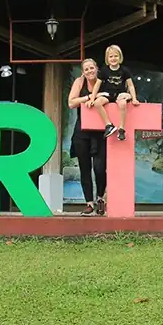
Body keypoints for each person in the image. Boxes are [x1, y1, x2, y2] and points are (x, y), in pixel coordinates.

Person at [68, 59, 108, 216]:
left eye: (92, 68)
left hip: (99, 131)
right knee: (85, 168)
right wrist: (89, 97)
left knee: (99, 168)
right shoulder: (80, 82)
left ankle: (100, 199)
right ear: (83, 72)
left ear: (96, 68)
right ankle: (89, 203)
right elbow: (71, 103)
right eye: (86, 69)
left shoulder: (103, 81)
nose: (90, 71)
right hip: (82, 131)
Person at [88, 44, 139, 141]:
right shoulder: (104, 70)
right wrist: (92, 98)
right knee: (97, 103)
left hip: (120, 94)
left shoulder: (124, 70)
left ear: (120, 57)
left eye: (116, 56)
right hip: (108, 94)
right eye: (111, 56)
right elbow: (97, 85)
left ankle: (121, 128)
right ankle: (108, 125)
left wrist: (134, 98)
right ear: (107, 58)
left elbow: (130, 85)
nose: (113, 58)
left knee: (123, 104)